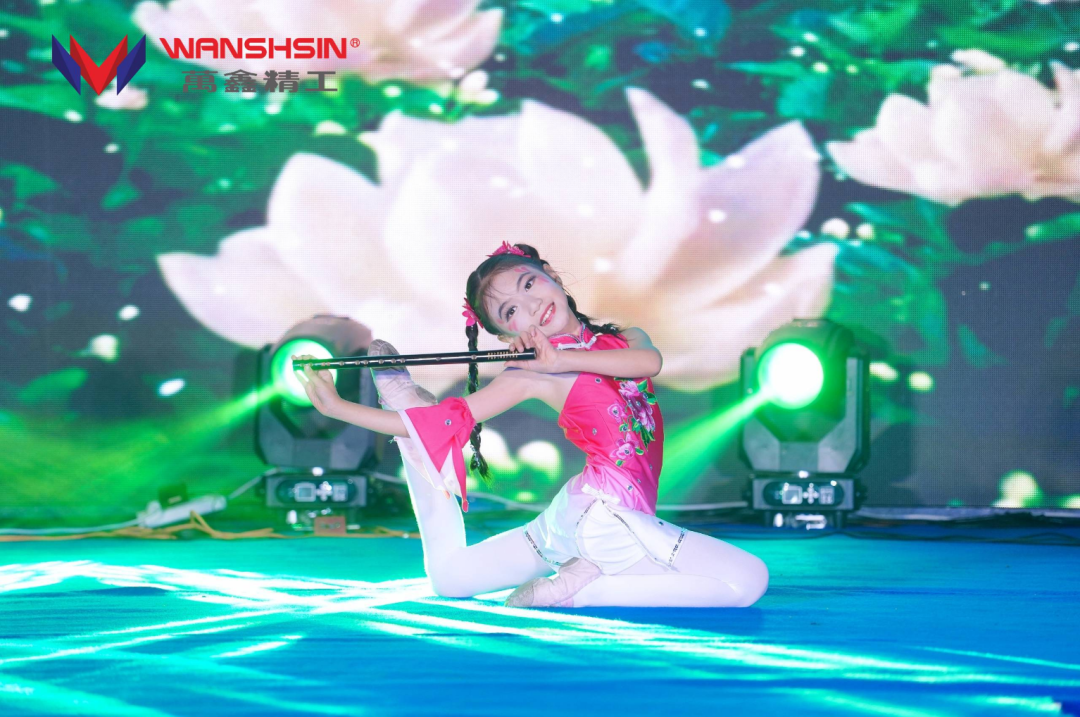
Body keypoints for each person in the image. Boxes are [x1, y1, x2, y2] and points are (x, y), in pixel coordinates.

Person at [294, 241, 769, 608]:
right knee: (748, 582)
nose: (530, 304)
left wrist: (561, 361)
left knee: (452, 579)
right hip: (609, 519)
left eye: (528, 284)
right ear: (509, 336)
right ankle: (580, 589)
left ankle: (577, 575)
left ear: (553, 277)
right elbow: (451, 421)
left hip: (576, 516)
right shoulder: (530, 374)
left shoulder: (622, 339)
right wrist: (339, 409)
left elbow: (648, 363)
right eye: (511, 312)